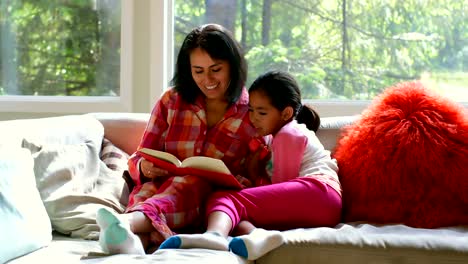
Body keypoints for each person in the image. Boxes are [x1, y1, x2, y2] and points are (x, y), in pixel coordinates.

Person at [95, 23, 260, 254]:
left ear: (233, 66)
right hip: (159, 190)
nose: (208, 79)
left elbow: (260, 175)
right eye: (198, 71)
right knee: (149, 193)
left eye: (216, 69)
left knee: (190, 183)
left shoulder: (254, 111)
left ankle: (125, 223)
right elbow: (139, 158)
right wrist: (146, 167)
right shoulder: (171, 100)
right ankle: (131, 248)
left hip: (209, 205)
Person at [159, 71, 343, 260]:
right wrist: (255, 173)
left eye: (262, 112)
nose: (253, 118)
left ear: (286, 113)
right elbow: (277, 194)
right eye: (251, 110)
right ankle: (256, 236)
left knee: (226, 199)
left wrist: (254, 178)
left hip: (319, 193)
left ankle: (214, 236)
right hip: (319, 204)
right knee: (233, 214)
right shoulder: (275, 138)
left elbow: (282, 184)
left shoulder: (290, 134)